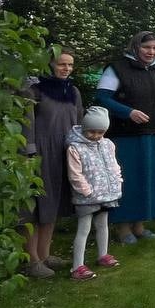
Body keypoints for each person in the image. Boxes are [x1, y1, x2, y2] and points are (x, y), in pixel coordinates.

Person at [95, 31, 155, 244]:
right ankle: (123, 228)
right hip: (125, 135)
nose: (151, 52)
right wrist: (128, 112)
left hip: (154, 134)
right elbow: (102, 98)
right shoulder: (118, 69)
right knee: (128, 181)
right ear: (136, 47)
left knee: (148, 180)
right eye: (146, 47)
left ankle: (139, 225)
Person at [22, 47, 83, 278]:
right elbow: (27, 123)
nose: (66, 69)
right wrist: (28, 152)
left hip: (65, 151)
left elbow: (78, 121)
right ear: (49, 65)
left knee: (54, 204)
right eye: (61, 64)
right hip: (40, 153)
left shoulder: (73, 91)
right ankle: (31, 260)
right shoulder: (33, 91)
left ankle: (45, 254)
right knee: (36, 207)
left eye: (69, 65)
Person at [64, 107, 124, 281]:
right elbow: (75, 173)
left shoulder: (108, 144)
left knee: (102, 224)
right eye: (92, 131)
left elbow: (113, 165)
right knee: (84, 229)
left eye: (100, 132)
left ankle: (103, 255)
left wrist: (117, 181)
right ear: (84, 128)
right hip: (86, 197)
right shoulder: (75, 148)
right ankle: (77, 266)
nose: (96, 135)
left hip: (106, 193)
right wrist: (86, 191)